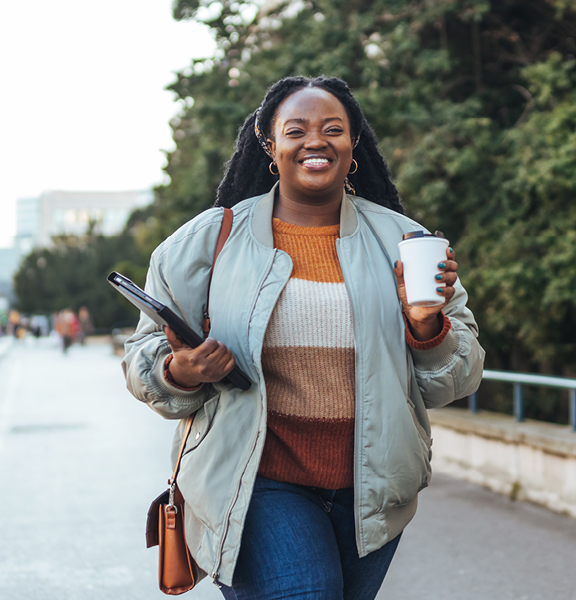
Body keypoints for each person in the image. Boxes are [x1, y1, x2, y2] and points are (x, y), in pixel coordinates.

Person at [122, 76, 485, 600]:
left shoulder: (406, 242)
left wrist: (427, 325)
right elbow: (143, 354)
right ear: (270, 144)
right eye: (296, 130)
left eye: (333, 129)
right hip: (256, 483)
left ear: (352, 145)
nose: (316, 140)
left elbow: (459, 376)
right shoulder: (209, 239)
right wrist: (180, 370)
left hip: (372, 490)